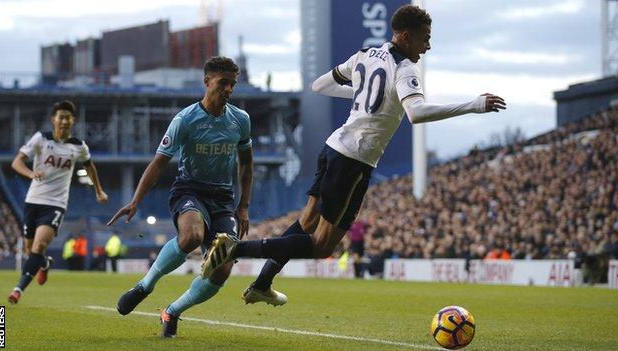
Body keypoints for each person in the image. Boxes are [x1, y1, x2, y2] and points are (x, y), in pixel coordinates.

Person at [201, 5, 506, 304]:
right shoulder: (404, 69)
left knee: (306, 222)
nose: (428, 45)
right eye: (424, 37)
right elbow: (416, 113)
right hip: (354, 160)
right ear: (405, 36)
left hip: (333, 148)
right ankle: (234, 250)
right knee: (321, 247)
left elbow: (319, 84)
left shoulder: (366, 55)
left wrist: (363, 92)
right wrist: (473, 105)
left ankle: (262, 284)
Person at [107, 56, 253, 338]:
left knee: (221, 271)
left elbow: (247, 164)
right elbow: (159, 162)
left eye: (233, 84)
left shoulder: (241, 120)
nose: (229, 90)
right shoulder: (185, 120)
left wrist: (243, 205)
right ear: (207, 82)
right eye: (223, 83)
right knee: (192, 237)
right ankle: (145, 285)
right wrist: (136, 200)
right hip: (190, 189)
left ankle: (171, 312)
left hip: (223, 199)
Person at [7, 100, 108, 304]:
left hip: (56, 203)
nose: (64, 121)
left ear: (73, 120)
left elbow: (90, 167)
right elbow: (16, 162)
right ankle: (44, 264)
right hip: (33, 200)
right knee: (31, 250)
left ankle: (18, 289)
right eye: (60, 116)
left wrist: (99, 190)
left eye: (67, 117)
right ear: (54, 119)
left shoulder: (78, 146)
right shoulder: (40, 139)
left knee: (39, 244)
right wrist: (30, 173)